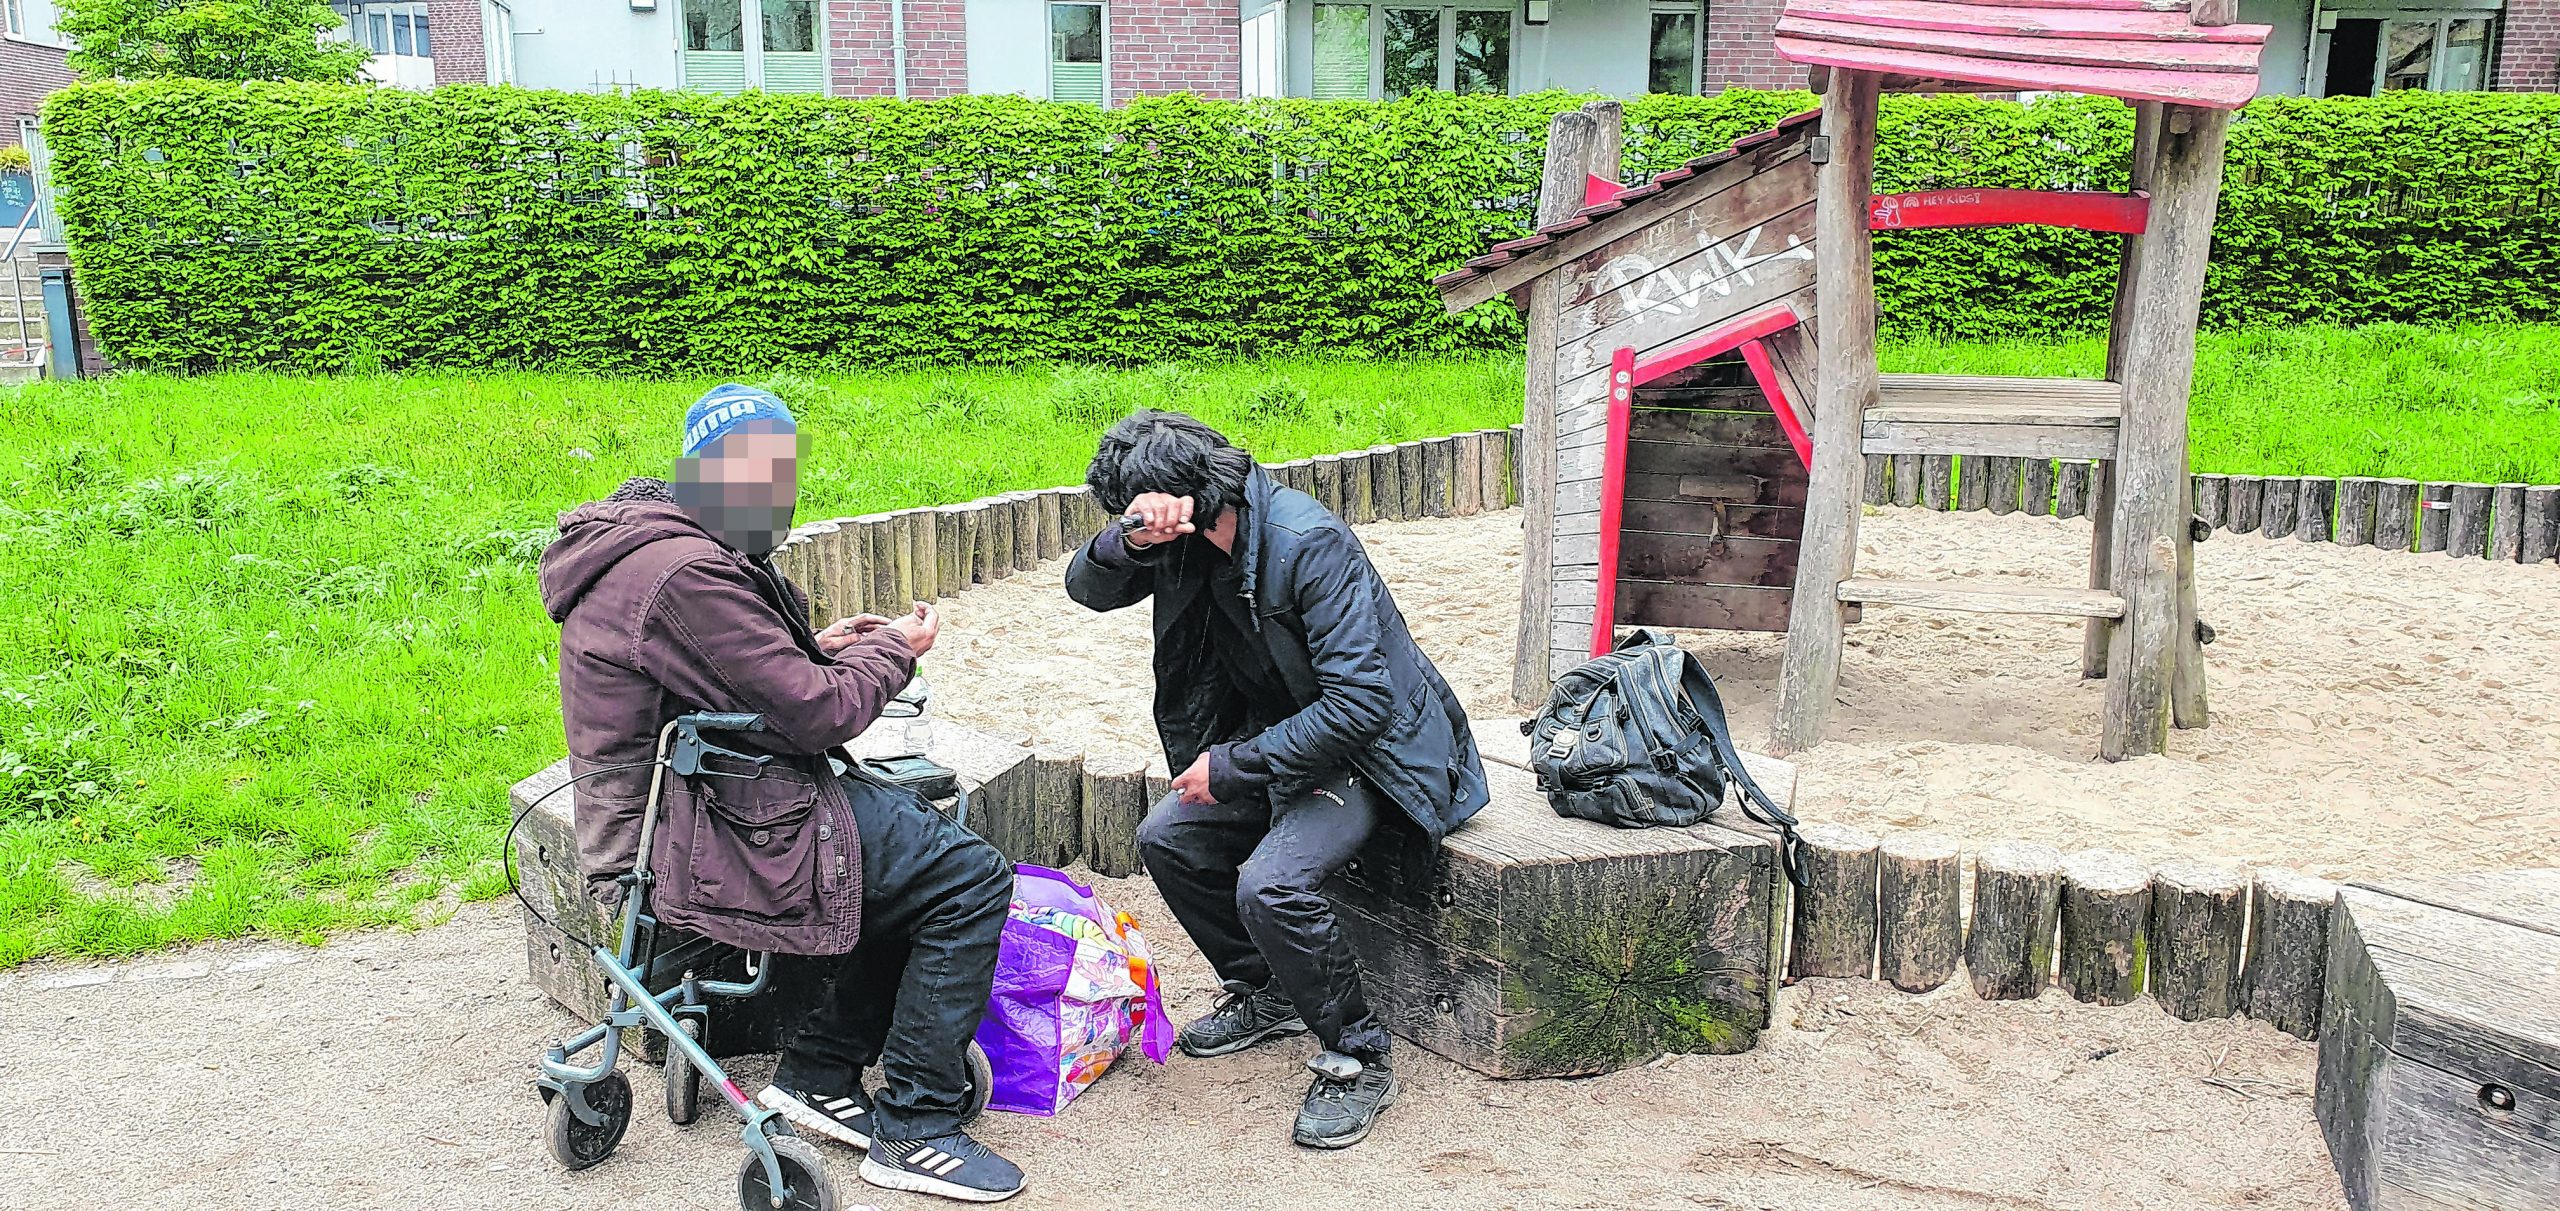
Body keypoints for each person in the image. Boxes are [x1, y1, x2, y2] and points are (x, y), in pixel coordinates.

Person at [538, 384, 1026, 1203]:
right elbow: (816, 711)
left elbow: (729, 673)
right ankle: (916, 1123)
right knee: (968, 874)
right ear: (715, 474)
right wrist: (895, 652)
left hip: (696, 800)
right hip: (691, 833)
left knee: (912, 854)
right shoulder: (684, 571)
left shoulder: (654, 546)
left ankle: (821, 1072)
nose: (785, 496)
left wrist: (817, 644)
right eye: (772, 477)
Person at [1063, 411, 1488, 1149]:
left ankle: (1360, 1055)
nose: (1137, 523)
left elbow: (1361, 705)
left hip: (1372, 755)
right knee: (1165, 837)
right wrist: (1129, 537)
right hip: (1283, 737)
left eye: (1141, 510)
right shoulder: (1180, 541)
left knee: (1271, 882)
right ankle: (1267, 991)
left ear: (1188, 496)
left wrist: (1235, 765)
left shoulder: (1305, 543)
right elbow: (1085, 588)